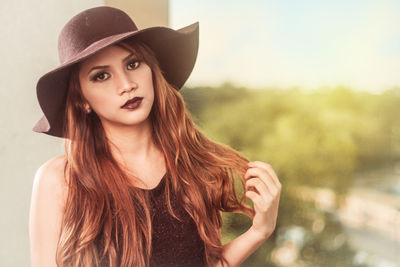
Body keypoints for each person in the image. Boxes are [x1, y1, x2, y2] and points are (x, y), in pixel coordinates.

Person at [29, 6, 281, 267]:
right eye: (101, 76)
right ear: (82, 100)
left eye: (133, 63)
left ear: (152, 69)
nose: (126, 85)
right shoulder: (60, 180)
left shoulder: (190, 167)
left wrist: (258, 232)